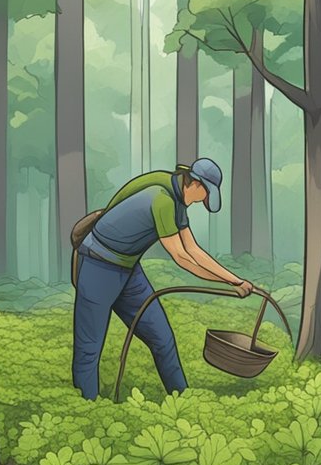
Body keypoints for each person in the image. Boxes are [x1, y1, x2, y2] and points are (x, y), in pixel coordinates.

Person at [72, 158, 253, 400]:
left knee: (163, 338)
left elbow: (194, 250)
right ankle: (87, 407)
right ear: (194, 183)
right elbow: (182, 258)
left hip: (129, 271)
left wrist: (235, 281)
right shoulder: (162, 199)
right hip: (98, 265)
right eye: (204, 194)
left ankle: (182, 400)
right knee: (89, 348)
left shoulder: (177, 200)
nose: (202, 201)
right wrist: (230, 283)